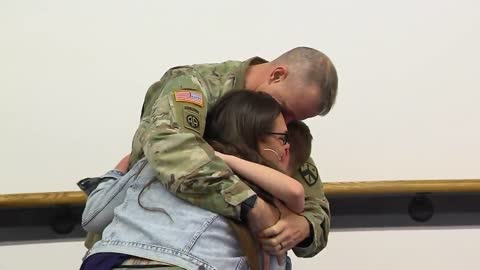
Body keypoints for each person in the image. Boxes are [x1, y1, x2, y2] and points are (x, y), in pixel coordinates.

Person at [82, 46, 337, 259]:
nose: (287, 122)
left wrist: (304, 227)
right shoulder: (195, 85)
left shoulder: (283, 126)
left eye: (296, 119)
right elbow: (173, 148)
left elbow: (315, 206)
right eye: (286, 109)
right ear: (277, 75)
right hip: (149, 247)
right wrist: (250, 205)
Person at [80, 90, 313, 269]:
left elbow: (94, 217)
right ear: (256, 135)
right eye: (282, 138)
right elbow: (295, 193)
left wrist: (122, 168)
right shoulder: (270, 193)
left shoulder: (164, 160)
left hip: (107, 260)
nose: (286, 147)